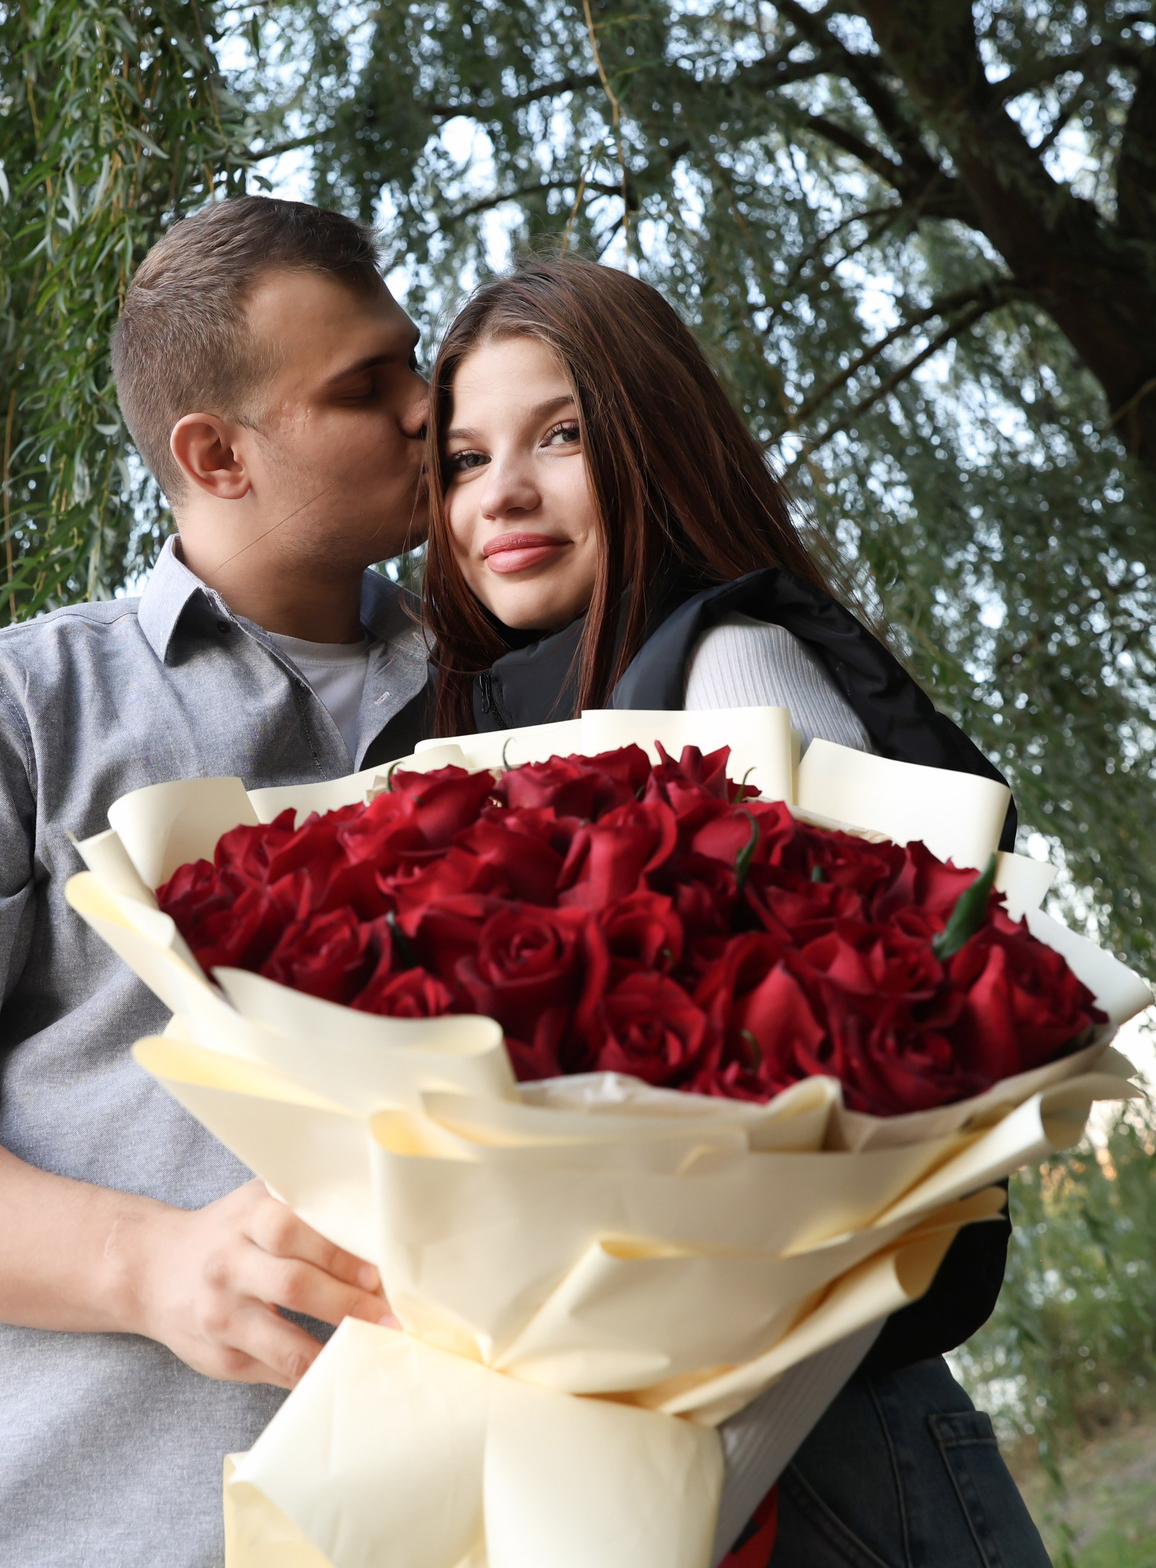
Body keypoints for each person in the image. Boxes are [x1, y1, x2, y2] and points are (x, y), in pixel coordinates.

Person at [0, 197, 435, 1566]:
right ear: (215, 454)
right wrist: (154, 1263)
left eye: (417, 366)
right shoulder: (6, 712)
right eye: (368, 389)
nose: (428, 410)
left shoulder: (527, 704)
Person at [425, 254, 1052, 1568]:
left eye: (561, 436)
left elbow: (876, 1074)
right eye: (465, 459)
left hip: (809, 1458)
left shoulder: (733, 663)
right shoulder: (471, 724)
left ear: (654, 439)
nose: (504, 495)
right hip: (618, 1462)